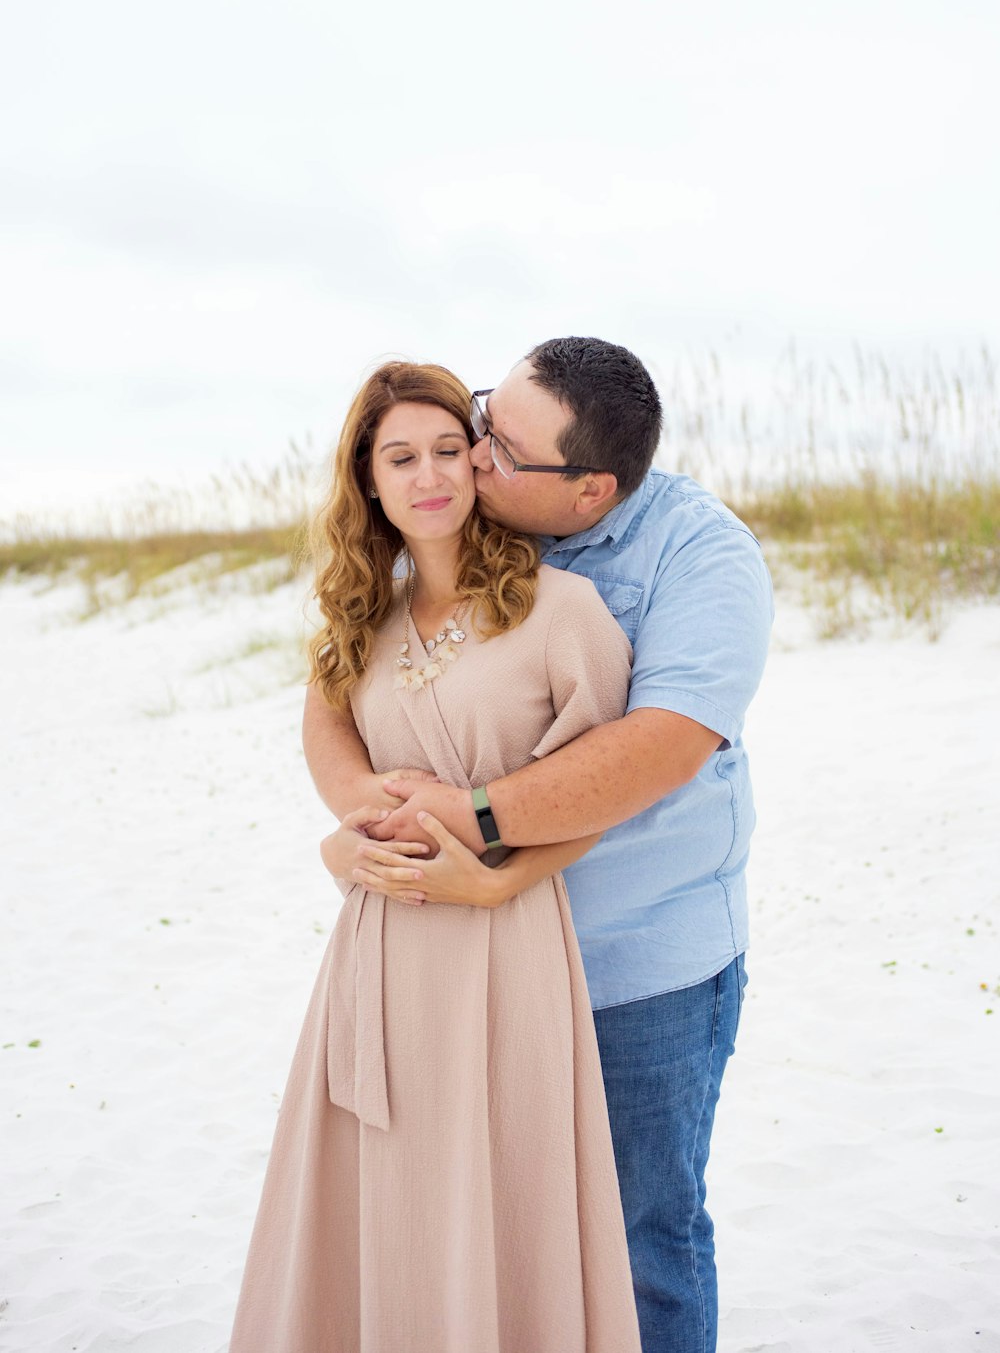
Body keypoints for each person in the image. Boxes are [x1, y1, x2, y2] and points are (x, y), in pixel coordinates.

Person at [305, 336, 774, 1353]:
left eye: (496, 451)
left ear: (591, 490)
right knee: (498, 1235)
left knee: (641, 1235)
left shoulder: (699, 557)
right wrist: (352, 822)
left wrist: (459, 815)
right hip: (476, 969)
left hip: (634, 962)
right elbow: (340, 685)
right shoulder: (462, 522)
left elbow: (661, 747)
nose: (471, 458)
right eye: (484, 420)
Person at [229, 360, 643, 1353]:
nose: (428, 476)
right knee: (383, 1195)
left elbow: (604, 792)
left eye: (449, 449)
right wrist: (347, 831)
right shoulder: (362, 620)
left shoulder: (563, 610)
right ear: (368, 480)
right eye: (399, 457)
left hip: (505, 942)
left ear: (480, 459)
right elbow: (330, 744)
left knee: (499, 1187)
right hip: (375, 943)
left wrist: (503, 872)